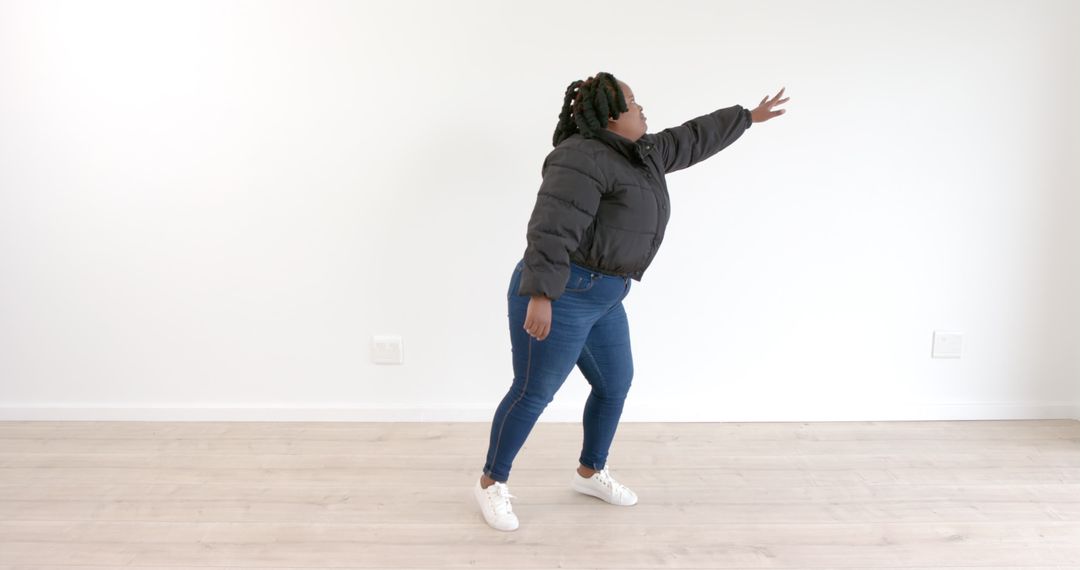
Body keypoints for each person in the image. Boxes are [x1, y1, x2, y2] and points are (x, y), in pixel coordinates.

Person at [473, 72, 789, 531]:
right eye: (634, 102)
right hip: (561, 293)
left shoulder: (644, 154)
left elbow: (692, 137)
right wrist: (540, 294)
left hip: (605, 297)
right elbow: (551, 226)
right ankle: (490, 484)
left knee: (614, 385)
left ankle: (590, 471)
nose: (643, 109)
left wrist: (747, 118)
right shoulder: (579, 158)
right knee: (533, 391)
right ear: (608, 115)